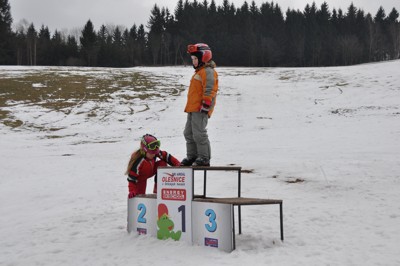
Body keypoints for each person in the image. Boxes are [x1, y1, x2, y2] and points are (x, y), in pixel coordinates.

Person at [181, 43, 219, 167]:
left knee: (199, 133)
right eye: (192, 59)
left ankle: (204, 158)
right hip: (192, 109)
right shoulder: (199, 72)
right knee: (188, 133)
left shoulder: (208, 72)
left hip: (201, 108)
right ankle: (192, 156)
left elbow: (210, 89)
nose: (193, 61)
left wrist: (206, 104)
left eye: (195, 59)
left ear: (204, 57)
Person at [125, 134, 180, 198]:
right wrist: (132, 190)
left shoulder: (155, 153)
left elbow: (166, 156)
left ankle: (158, 187)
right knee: (139, 197)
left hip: (151, 170)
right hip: (140, 178)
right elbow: (131, 178)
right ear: (144, 151)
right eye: (151, 153)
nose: (154, 155)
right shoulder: (139, 161)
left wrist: (177, 164)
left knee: (162, 163)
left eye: (154, 153)